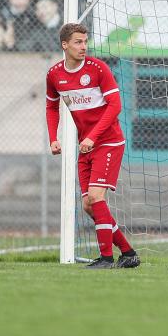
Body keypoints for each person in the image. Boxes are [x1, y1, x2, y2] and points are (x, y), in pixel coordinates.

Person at [46, 23, 139, 269]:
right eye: (78, 42)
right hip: (86, 146)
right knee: (89, 205)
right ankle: (128, 253)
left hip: (108, 142)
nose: (83, 46)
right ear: (65, 45)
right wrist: (53, 138)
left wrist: (92, 136)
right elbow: (51, 106)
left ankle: (106, 259)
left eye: (85, 41)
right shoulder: (55, 74)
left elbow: (115, 106)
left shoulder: (98, 68)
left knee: (96, 197)